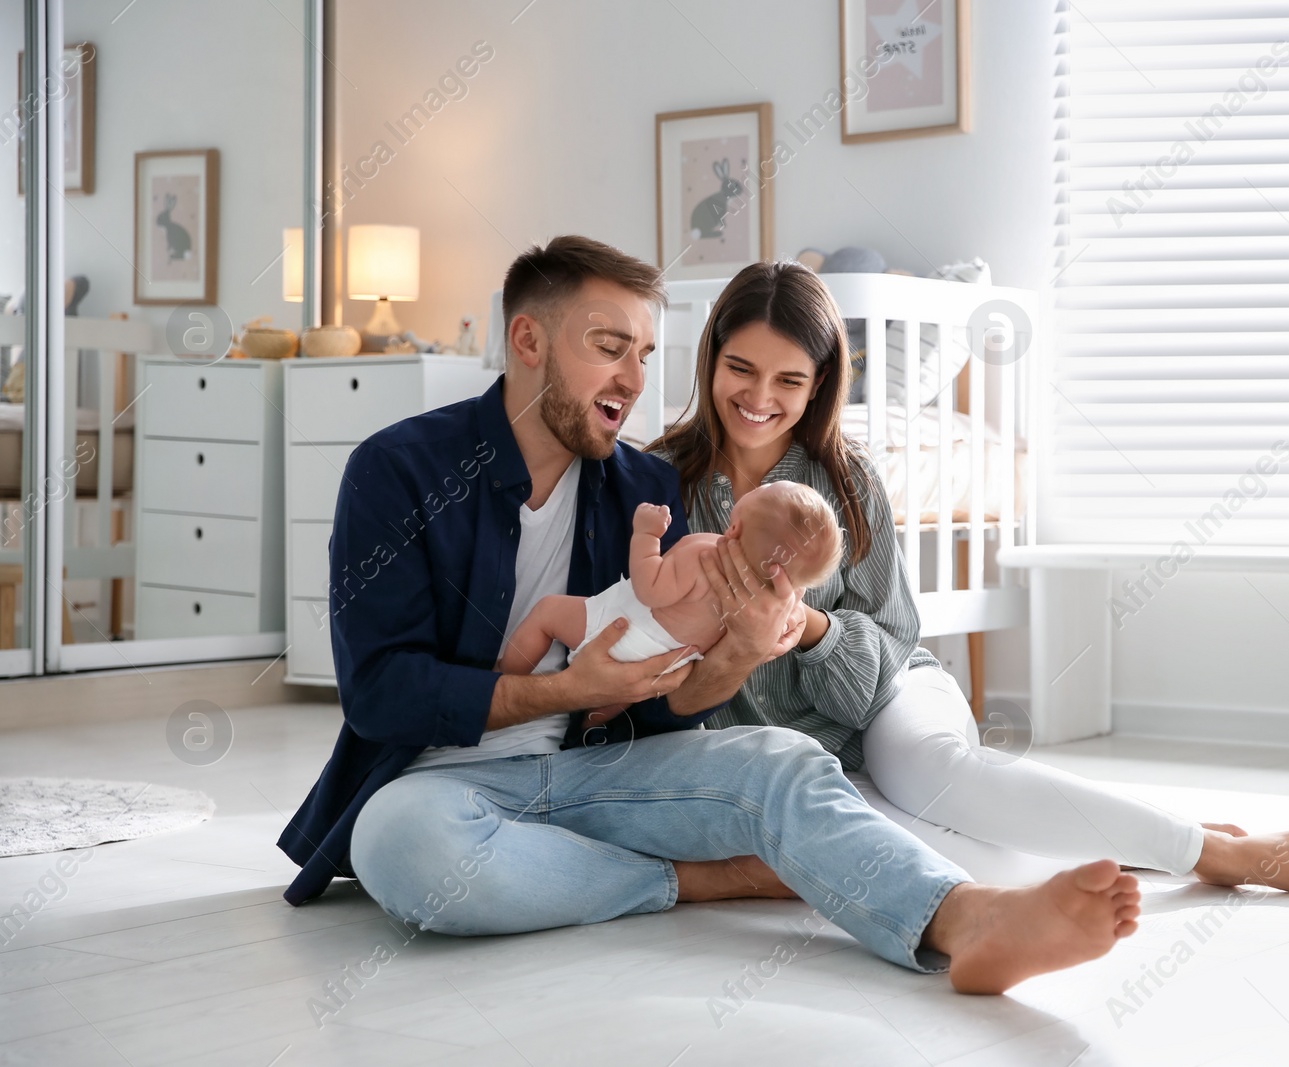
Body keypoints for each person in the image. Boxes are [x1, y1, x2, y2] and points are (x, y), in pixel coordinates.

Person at [276, 235, 1143, 996]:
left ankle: (968, 918)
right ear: (528, 340)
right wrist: (567, 687)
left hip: (597, 779)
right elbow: (380, 694)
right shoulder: (400, 469)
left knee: (780, 757)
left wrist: (734, 653)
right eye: (610, 347)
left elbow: (663, 704)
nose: (633, 378)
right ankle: (708, 879)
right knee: (399, 846)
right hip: (444, 787)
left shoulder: (644, 489)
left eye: (646, 353)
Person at [650, 259, 1289, 896]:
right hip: (786, 748)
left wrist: (808, 628)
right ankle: (1146, 840)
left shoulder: (849, 477)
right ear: (711, 358)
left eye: (789, 379)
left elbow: (888, 650)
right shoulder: (659, 482)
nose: (758, 396)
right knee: (893, 853)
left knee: (932, 775)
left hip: (890, 689)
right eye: (741, 368)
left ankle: (1219, 851)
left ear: (820, 385)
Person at [496, 482, 842, 676]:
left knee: (548, 612)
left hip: (626, 633)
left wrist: (645, 535)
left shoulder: (703, 555)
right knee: (618, 695)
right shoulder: (773, 603)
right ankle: (596, 718)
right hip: (670, 664)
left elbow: (649, 589)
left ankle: (506, 676)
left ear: (734, 526)